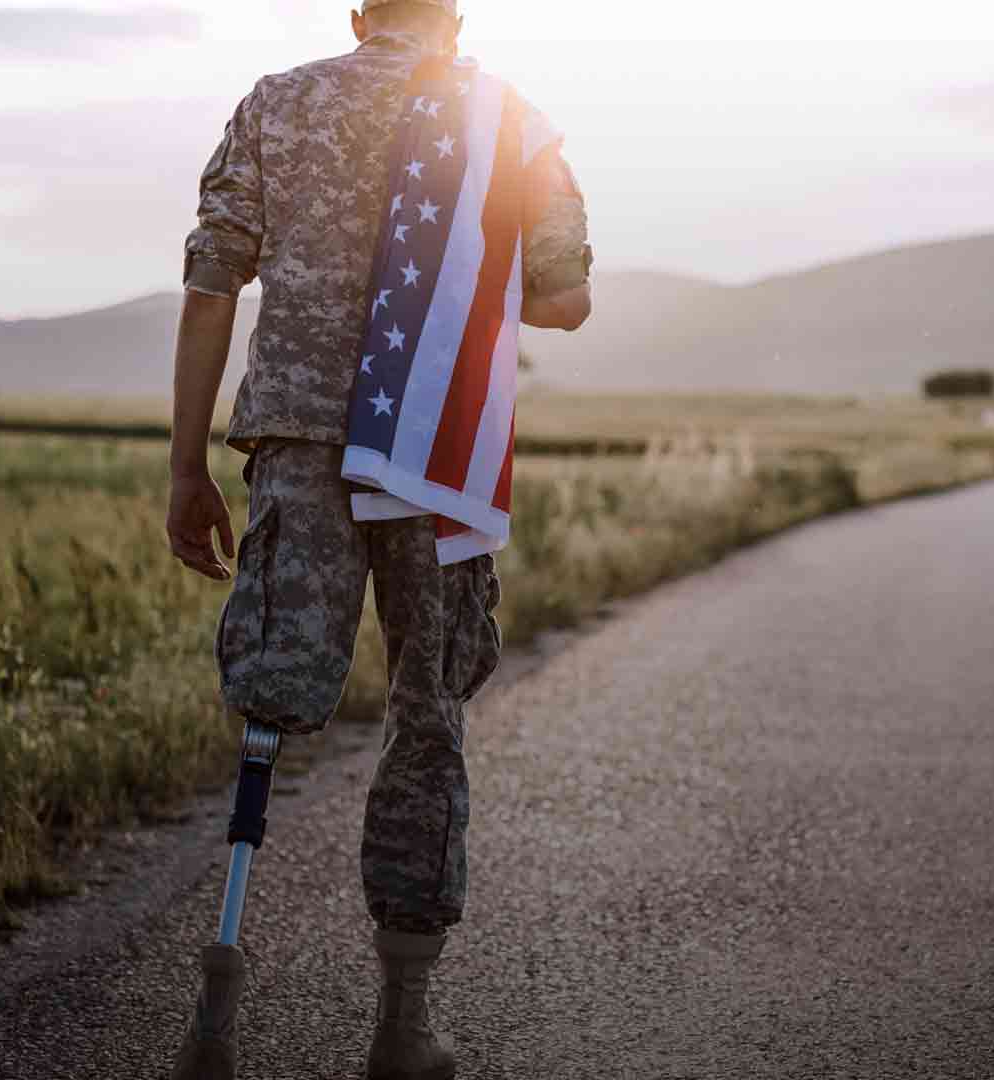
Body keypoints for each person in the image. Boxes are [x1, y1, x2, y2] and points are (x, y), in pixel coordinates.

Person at [164, 2, 592, 1077]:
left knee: (272, 696)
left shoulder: (279, 101)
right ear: (456, 13)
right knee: (425, 712)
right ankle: (403, 1028)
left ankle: (215, 1014)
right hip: (431, 449)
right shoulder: (511, 121)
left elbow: (212, 281)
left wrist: (185, 466)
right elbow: (567, 300)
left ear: (358, 13)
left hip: (299, 444)